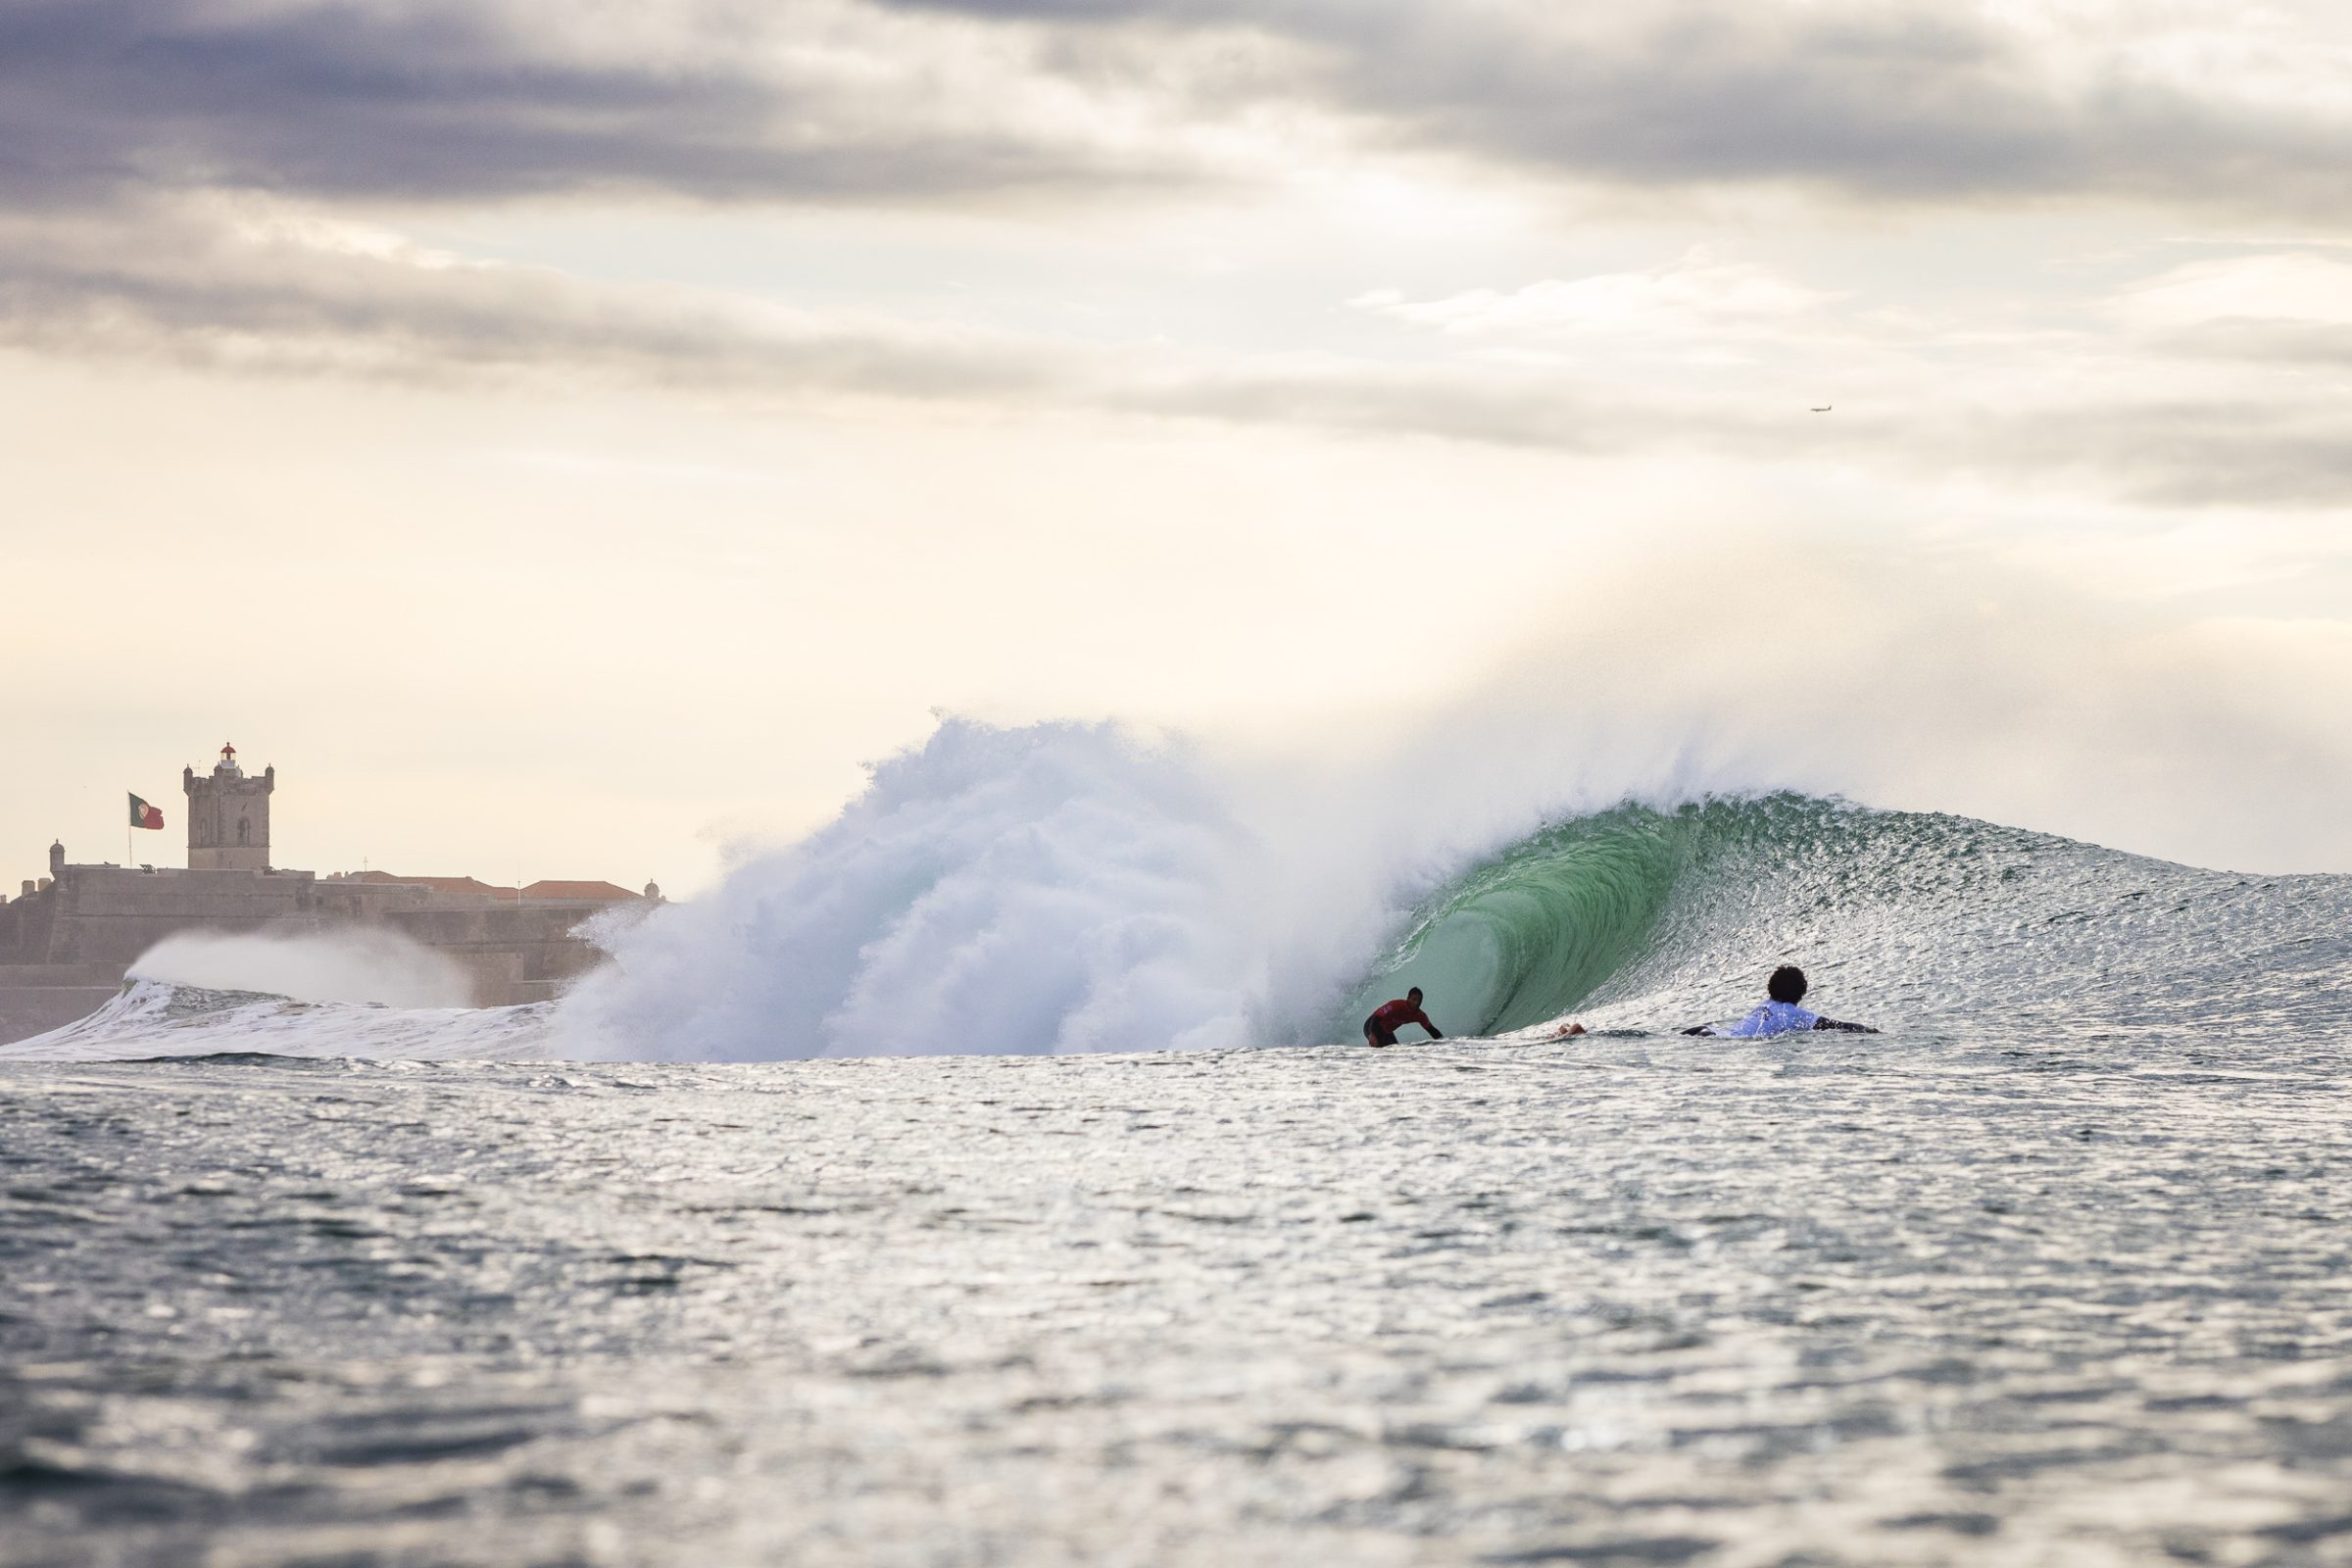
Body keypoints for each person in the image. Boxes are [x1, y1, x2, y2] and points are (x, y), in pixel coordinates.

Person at [1682, 964, 1877, 1037]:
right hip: (1719, 1039)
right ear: (1801, 991)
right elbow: (1835, 1025)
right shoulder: (1791, 1013)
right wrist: (1868, 1030)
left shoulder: (1764, 1005)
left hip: (1706, 1030)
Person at [1364, 987, 1444, 1048]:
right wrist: (1372, 1034)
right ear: (1408, 999)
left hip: (1387, 1031)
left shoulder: (1420, 1015)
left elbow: (1432, 1030)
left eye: (1419, 1000)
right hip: (1372, 1025)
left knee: (1396, 1051)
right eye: (1414, 999)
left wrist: (1445, 1043)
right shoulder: (1395, 1005)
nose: (1416, 1003)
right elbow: (1377, 1016)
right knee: (1381, 1049)